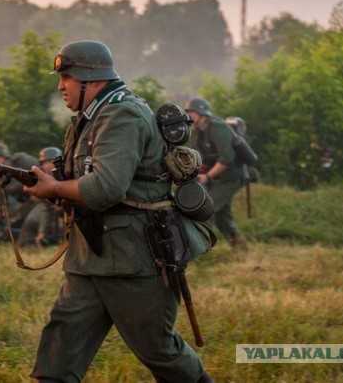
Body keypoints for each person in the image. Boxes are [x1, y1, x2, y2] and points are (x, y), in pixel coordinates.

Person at [24, 40, 212, 382]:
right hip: (90, 256)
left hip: (133, 260)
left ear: (88, 80)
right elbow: (80, 181)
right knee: (56, 358)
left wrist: (54, 188)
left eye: (65, 77)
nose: (60, 85)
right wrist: (51, 185)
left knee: (159, 352)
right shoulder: (89, 117)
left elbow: (105, 189)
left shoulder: (122, 114)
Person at [185, 97, 248, 251]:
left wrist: (207, 177)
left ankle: (200, 249)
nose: (189, 115)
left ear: (202, 113)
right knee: (223, 218)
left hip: (231, 177)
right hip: (216, 178)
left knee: (206, 208)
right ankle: (241, 249)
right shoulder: (197, 131)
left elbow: (227, 158)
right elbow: (194, 155)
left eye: (192, 112)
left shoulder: (219, 128)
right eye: (188, 112)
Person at [17, 147, 64, 248]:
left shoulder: (67, 175)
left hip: (67, 215)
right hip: (49, 211)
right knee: (30, 221)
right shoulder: (40, 178)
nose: (47, 165)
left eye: (50, 161)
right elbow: (47, 208)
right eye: (44, 162)